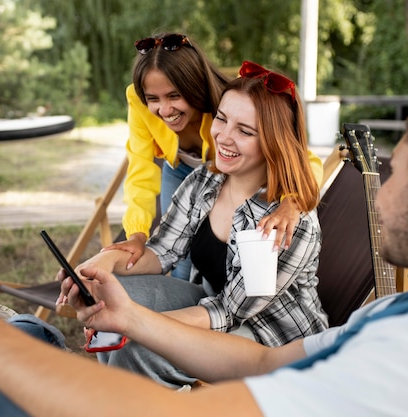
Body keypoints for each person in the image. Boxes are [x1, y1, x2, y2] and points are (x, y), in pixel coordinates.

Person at [0, 91, 408, 416]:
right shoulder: (388, 317)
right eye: (222, 121)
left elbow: (244, 331)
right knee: (76, 325)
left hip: (261, 326)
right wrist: (118, 288)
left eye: (392, 168)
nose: (377, 192)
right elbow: (166, 257)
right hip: (247, 343)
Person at [53, 61, 327, 388]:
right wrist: (101, 264)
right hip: (209, 305)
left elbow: (231, 310)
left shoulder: (287, 222)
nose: (223, 137)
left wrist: (135, 323)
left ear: (274, 141)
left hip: (271, 338)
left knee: (140, 344)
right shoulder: (204, 181)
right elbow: (162, 252)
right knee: (105, 295)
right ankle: (130, 399)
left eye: (245, 131)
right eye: (222, 120)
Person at [109, 32, 324, 280]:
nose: (165, 109)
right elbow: (140, 169)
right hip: (178, 170)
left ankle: (206, 308)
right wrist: (136, 235)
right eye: (153, 99)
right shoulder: (138, 101)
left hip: (221, 174)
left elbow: (304, 160)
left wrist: (292, 203)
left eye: (174, 96)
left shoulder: (230, 101)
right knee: (176, 253)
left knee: (217, 254)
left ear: (194, 86)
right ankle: (183, 306)